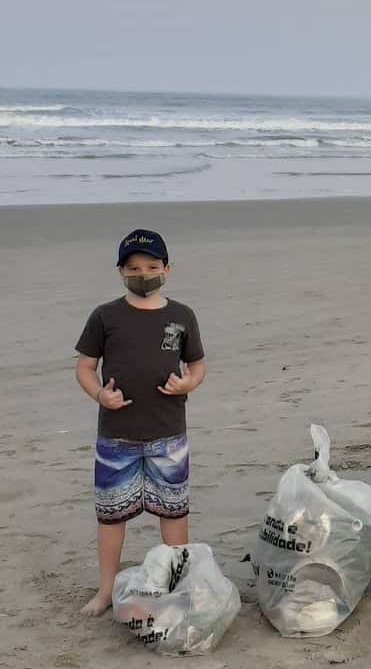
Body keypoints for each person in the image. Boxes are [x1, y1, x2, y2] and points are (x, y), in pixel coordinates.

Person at [74, 229, 206, 616]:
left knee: (173, 512)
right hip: (117, 438)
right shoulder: (105, 316)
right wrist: (100, 394)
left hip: (169, 434)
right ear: (120, 271)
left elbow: (197, 366)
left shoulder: (182, 316)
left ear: (167, 268)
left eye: (151, 266)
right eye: (133, 267)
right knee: (111, 515)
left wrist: (188, 383)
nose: (143, 273)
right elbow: (84, 368)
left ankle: (176, 583)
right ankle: (105, 589)